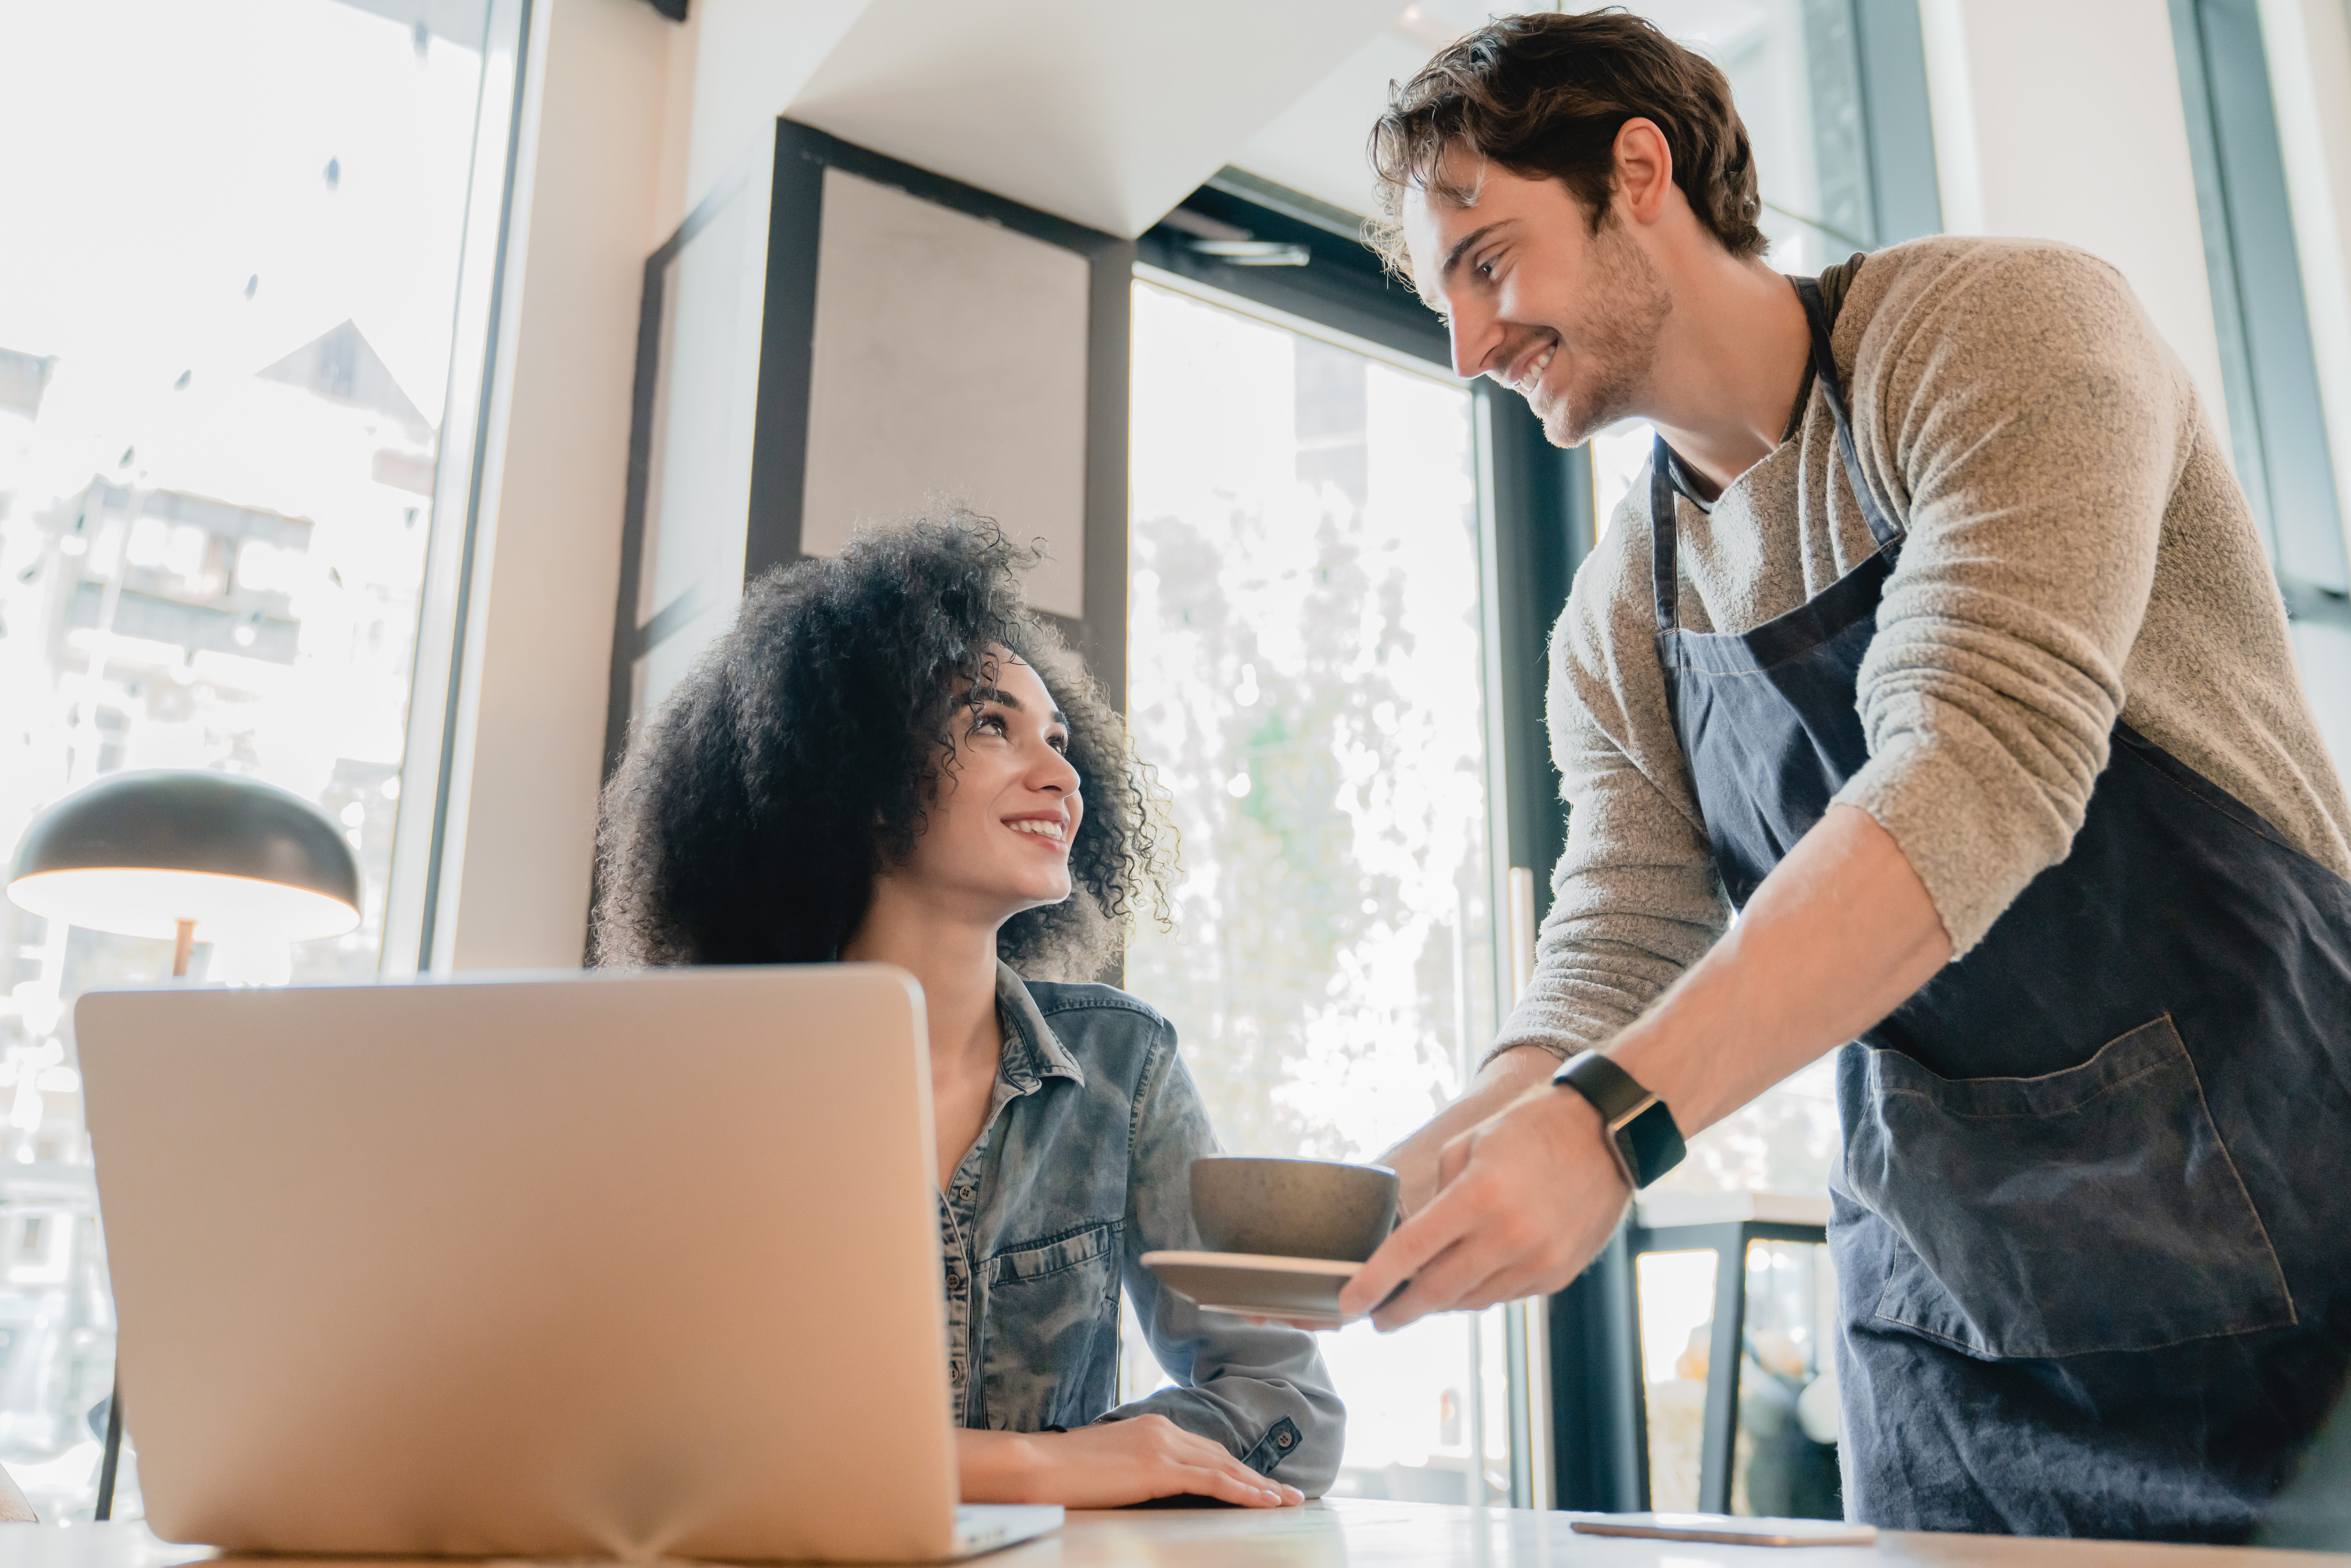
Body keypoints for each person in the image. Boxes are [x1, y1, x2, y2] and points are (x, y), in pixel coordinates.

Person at [1335, 10, 2351, 1544]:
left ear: (1638, 169)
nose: (1469, 347)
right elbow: (1616, 945)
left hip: (2284, 1225)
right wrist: (1432, 1165)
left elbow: (1979, 763)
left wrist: (1610, 1126)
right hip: (1950, 1323)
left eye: (1486, 261)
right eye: (1444, 300)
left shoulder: (2000, 332)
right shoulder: (1621, 615)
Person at [593, 516, 1343, 1508]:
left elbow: (1290, 1405)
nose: (1061, 774)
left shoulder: (1124, 1065)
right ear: (854, 775)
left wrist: (1114, 1456)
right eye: (992, 724)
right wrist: (1039, 1466)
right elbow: (650, 1434)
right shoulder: (721, 1075)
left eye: (1059, 740)